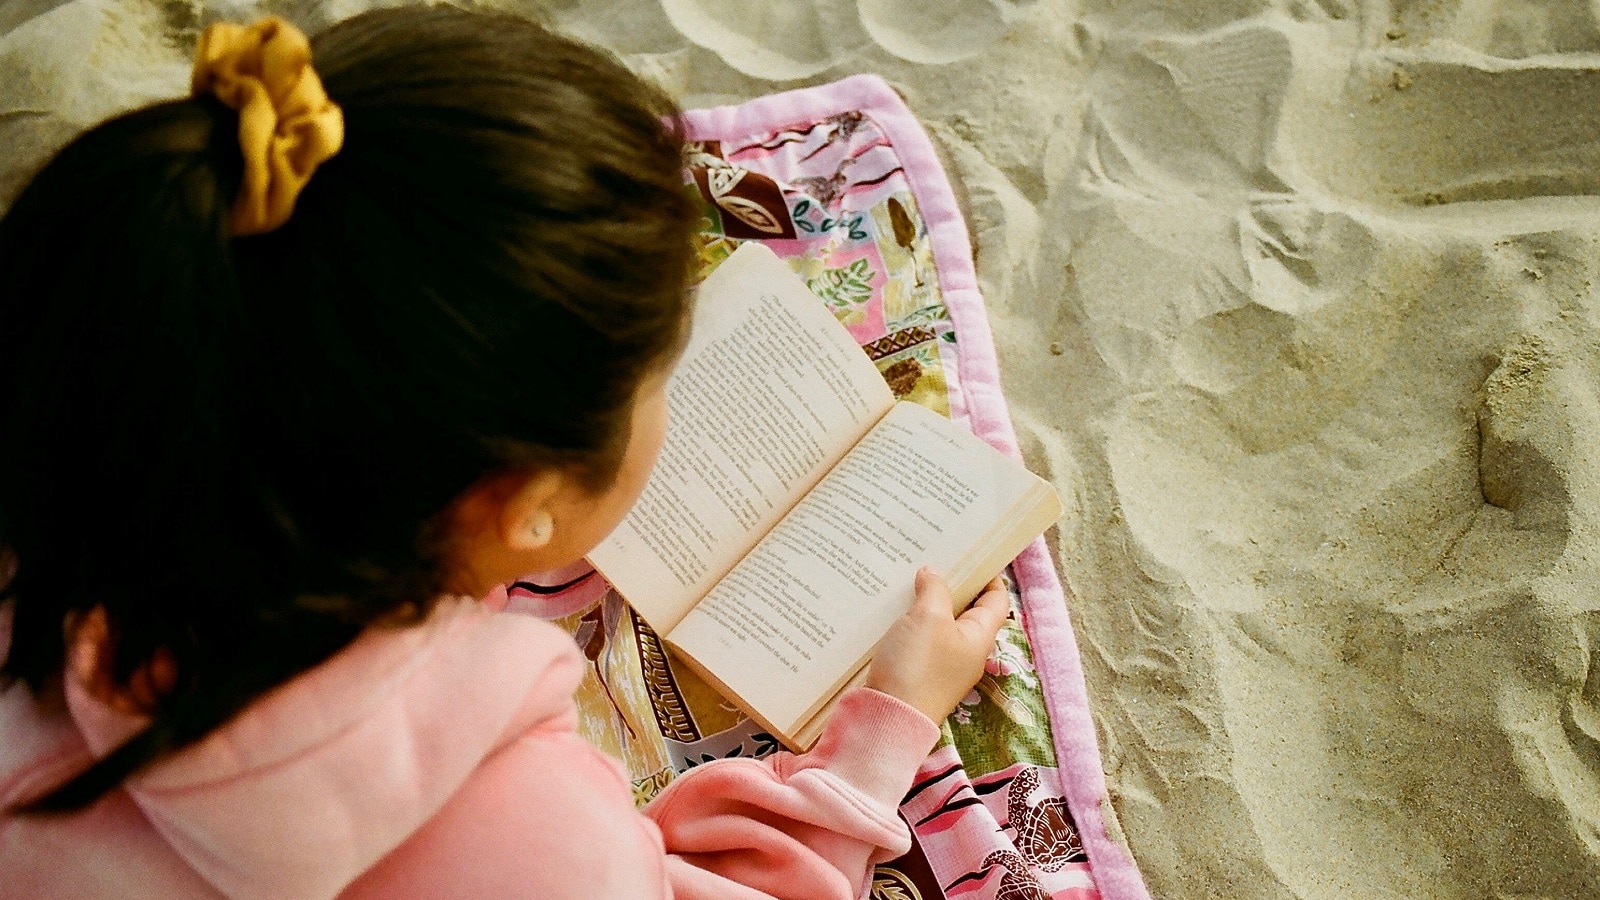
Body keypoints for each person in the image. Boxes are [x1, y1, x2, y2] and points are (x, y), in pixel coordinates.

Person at [0, 7, 1014, 898]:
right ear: (520, 503)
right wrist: (882, 734)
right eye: (656, 380)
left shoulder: (78, 476)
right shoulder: (544, 842)